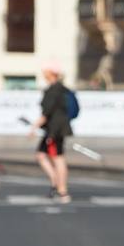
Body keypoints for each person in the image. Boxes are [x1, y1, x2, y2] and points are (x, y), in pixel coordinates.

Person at [33, 66, 73, 202]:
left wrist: (34, 127)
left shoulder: (53, 90)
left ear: (52, 73)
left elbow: (47, 112)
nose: (43, 73)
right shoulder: (62, 88)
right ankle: (55, 183)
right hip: (56, 129)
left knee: (58, 158)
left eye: (46, 71)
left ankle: (62, 191)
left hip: (54, 130)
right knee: (41, 154)